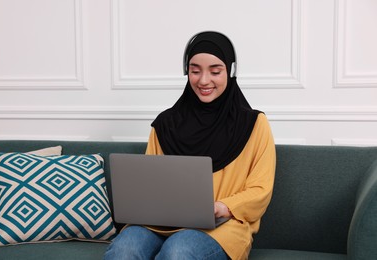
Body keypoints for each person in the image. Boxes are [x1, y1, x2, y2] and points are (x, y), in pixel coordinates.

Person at [104, 31, 276, 260]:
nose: (204, 80)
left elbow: (260, 189)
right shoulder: (165, 124)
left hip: (222, 227)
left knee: (178, 251)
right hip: (159, 224)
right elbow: (150, 184)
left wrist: (222, 206)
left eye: (215, 71)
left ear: (231, 71)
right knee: (123, 250)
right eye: (195, 71)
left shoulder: (254, 124)